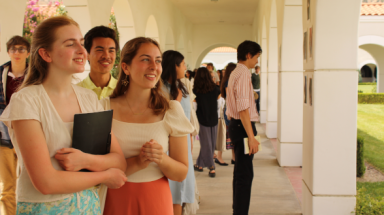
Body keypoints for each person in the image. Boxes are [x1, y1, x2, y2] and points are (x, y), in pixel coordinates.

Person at [0, 16, 127, 215]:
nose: (81, 50)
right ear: (46, 54)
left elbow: (119, 160)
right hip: (44, 208)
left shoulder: (88, 98)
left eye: (82, 43)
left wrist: (86, 161)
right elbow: (46, 182)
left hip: (88, 206)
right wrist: (104, 175)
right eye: (70, 44)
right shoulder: (27, 100)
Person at [100, 37, 194, 215]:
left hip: (156, 200)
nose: (154, 66)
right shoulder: (103, 108)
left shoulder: (171, 109)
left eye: (158, 61)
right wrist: (137, 162)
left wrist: (161, 158)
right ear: (126, 67)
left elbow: (181, 173)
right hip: (114, 199)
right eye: (145, 59)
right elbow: (95, 167)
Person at [226, 40, 262, 215]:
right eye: (256, 57)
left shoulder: (235, 72)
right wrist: (251, 136)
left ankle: (237, 210)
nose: (257, 61)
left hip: (237, 125)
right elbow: (243, 109)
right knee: (245, 175)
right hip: (242, 126)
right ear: (248, 55)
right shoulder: (243, 73)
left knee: (241, 172)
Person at [161, 50, 196, 215]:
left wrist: (190, 140)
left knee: (182, 187)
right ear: (174, 66)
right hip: (168, 145)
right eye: (182, 64)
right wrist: (176, 101)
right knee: (172, 188)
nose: (185, 68)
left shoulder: (182, 86)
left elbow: (187, 118)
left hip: (184, 143)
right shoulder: (160, 89)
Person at [0, 35, 30, 215]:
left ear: (28, 52)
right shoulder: (1, 73)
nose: (16, 53)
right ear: (8, 52)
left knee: (27, 183)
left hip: (27, 136)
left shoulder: (36, 75)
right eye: (13, 49)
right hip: (3, 136)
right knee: (7, 187)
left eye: (21, 49)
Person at [77, 26, 119, 99]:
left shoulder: (124, 91)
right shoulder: (75, 92)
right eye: (100, 50)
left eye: (111, 51)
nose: (106, 56)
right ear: (87, 54)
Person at [193, 67, 221, 177]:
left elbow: (194, 108)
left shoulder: (196, 91)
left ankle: (211, 167)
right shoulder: (216, 89)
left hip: (202, 120)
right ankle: (200, 164)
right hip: (214, 119)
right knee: (210, 144)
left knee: (206, 144)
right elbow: (219, 105)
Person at [220, 63, 237, 164]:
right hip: (230, 109)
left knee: (231, 134)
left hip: (230, 109)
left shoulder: (228, 80)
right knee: (230, 134)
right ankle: (233, 158)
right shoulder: (228, 82)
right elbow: (229, 96)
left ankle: (234, 157)